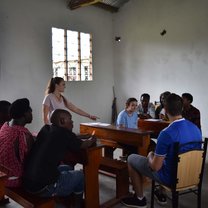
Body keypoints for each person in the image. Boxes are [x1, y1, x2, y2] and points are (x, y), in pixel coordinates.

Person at [121, 93, 202, 208]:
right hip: (192, 175)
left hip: (171, 178)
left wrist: (150, 155)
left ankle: (139, 198)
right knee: (166, 158)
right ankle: (159, 192)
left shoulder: (166, 133)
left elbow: (155, 167)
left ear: (165, 109)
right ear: (182, 108)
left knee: (131, 158)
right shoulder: (196, 129)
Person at [23, 109, 96, 206]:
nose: (72, 122)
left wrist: (82, 135)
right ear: (62, 121)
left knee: (67, 167)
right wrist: (92, 139)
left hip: (28, 182)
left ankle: (67, 199)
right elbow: (83, 144)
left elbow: (69, 137)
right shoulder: (65, 134)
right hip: (44, 187)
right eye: (70, 119)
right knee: (80, 175)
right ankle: (77, 205)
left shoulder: (46, 129)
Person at [0, 98, 34, 187]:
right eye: (30, 112)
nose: (31, 114)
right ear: (25, 114)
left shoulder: (5, 127)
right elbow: (31, 162)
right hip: (13, 180)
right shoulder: (24, 134)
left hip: (2, 175)